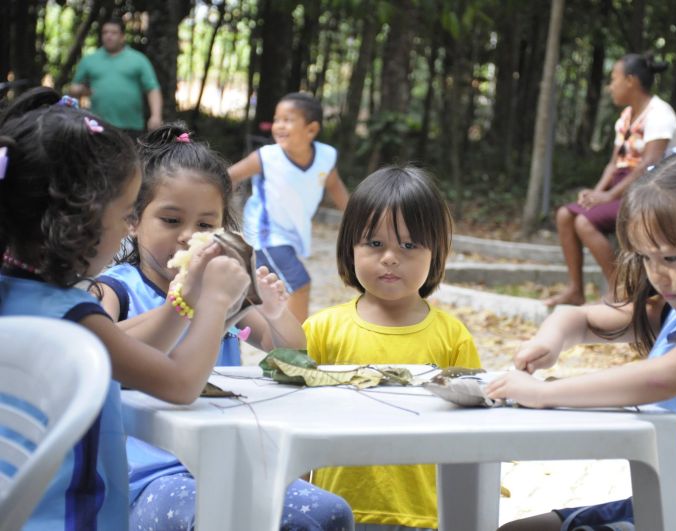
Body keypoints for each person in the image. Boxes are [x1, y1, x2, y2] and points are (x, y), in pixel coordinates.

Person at [487, 153, 676, 530]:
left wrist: (542, 392)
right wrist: (550, 341)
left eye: (670, 257)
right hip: (675, 498)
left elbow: (660, 379)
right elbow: (578, 317)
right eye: (646, 258)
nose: (658, 276)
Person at [0, 88, 251, 529]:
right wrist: (213, 301)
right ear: (78, 223)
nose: (124, 235)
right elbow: (178, 384)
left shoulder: (21, 301)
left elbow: (131, 353)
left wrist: (184, 299)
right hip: (67, 519)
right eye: (122, 217)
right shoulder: (73, 319)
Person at [94, 123, 354, 531]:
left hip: (229, 463)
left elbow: (290, 351)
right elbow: (99, 349)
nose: (187, 237)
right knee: (210, 517)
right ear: (133, 220)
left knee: (329, 513)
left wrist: (271, 308)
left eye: (204, 225)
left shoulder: (224, 289)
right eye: (170, 219)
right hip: (148, 478)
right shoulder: (117, 290)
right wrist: (186, 304)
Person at [303, 165, 482, 531]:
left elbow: (475, 431)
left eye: (410, 245)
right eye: (374, 243)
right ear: (348, 246)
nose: (390, 257)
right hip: (337, 512)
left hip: (428, 516)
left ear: (437, 251)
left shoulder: (453, 337)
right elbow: (296, 427)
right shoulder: (321, 330)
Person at [544, 53, 676, 307]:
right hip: (621, 187)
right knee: (565, 215)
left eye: (614, 79)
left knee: (584, 223)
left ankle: (620, 290)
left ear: (631, 81)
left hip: (647, 191)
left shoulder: (660, 114)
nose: (610, 86)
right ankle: (575, 290)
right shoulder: (626, 116)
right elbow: (614, 163)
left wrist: (608, 196)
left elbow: (649, 163)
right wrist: (595, 193)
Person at [229, 92, 349, 322]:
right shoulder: (266, 157)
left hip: (291, 236)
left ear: (311, 130)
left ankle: (274, 338)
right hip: (265, 236)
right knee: (299, 284)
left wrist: (359, 218)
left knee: (273, 293)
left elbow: (336, 187)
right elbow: (227, 177)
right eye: (276, 119)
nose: (279, 126)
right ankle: (297, 348)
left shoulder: (325, 156)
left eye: (288, 120)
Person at [70, 16, 163, 138]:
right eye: (105, 32)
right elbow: (73, 88)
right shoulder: (89, 60)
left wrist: (156, 116)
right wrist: (80, 90)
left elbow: (152, 89)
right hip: (97, 126)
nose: (109, 36)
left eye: (114, 33)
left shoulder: (139, 59)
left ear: (122, 36)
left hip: (132, 127)